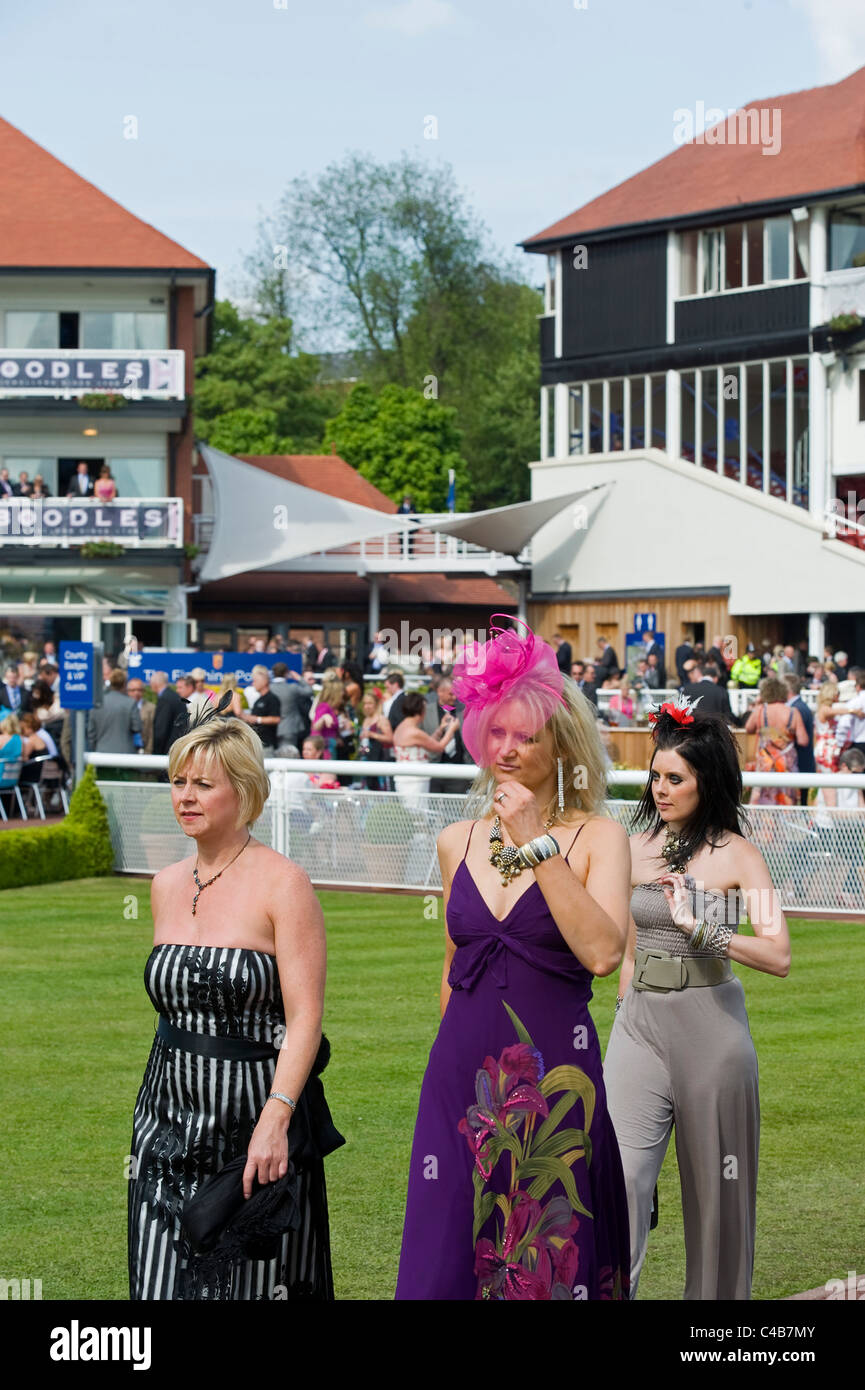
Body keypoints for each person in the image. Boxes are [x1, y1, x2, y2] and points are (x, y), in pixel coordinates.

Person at [395, 617, 631, 1300]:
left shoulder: (596, 837)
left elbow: (602, 951)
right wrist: (448, 1063)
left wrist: (534, 840)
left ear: (561, 745)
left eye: (525, 736)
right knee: (448, 1251)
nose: (505, 749)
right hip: (459, 1081)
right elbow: (451, 965)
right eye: (494, 732)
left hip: (553, 1080)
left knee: (544, 1251)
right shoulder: (456, 841)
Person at [128, 711, 336, 1300]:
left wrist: (275, 1119)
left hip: (253, 1119)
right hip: (164, 1119)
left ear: (242, 792)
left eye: (203, 784)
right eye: (178, 782)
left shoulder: (284, 885)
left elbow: (305, 1019)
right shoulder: (164, 884)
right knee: (159, 1280)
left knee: (250, 1282)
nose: (186, 797)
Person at [603, 694, 790, 1301]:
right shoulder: (631, 848)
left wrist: (701, 924)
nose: (660, 788)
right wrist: (621, 1011)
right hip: (637, 1028)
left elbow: (779, 954)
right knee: (619, 1179)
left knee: (717, 1202)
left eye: (674, 778)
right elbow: (627, 949)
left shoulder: (738, 854)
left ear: (704, 782)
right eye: (654, 775)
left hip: (712, 1033)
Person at [744, 675, 809, 805]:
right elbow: (803, 740)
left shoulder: (761, 711)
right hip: (787, 765)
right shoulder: (792, 712)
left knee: (763, 799)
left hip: (765, 764)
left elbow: (748, 729)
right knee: (787, 801)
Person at [392, 691, 458, 807]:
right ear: (421, 710)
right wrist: (452, 729)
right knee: (417, 817)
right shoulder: (414, 731)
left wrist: (440, 728)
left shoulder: (402, 727)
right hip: (414, 781)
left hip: (406, 778)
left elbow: (426, 742)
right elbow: (439, 747)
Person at [87, 668, 141, 755]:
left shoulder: (97, 703)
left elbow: (91, 733)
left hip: (101, 753)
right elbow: (137, 727)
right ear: (124, 684)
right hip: (125, 755)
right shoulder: (130, 703)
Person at [785, 675, 815, 807]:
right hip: (803, 762)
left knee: (800, 805)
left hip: (800, 762)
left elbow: (801, 739)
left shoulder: (797, 708)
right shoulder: (800, 706)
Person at [271, 661, 313, 751]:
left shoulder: (269, 688)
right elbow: (309, 691)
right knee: (289, 757)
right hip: (289, 728)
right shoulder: (292, 687)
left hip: (272, 728)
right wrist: (299, 678)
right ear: (286, 673)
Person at [358, 689, 394, 790]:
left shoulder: (381, 719)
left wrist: (372, 735)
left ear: (376, 704)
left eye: (370, 703)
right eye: (365, 703)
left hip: (378, 759)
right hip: (365, 759)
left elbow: (390, 738)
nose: (366, 706)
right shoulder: (366, 719)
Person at [240, 665, 281, 750]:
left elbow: (276, 719)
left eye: (255, 681)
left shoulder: (272, 698)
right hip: (258, 744)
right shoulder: (259, 699)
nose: (253, 683)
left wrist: (257, 719)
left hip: (267, 744)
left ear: (264, 682)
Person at [830, 667, 865, 760]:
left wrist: (840, 743)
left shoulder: (855, 702)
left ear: (858, 686)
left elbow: (844, 724)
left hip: (858, 743)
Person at [150, 672, 188, 757]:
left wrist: (155, 753)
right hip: (178, 746)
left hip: (166, 750)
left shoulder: (165, 699)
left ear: (155, 684)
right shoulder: (176, 696)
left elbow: (161, 730)